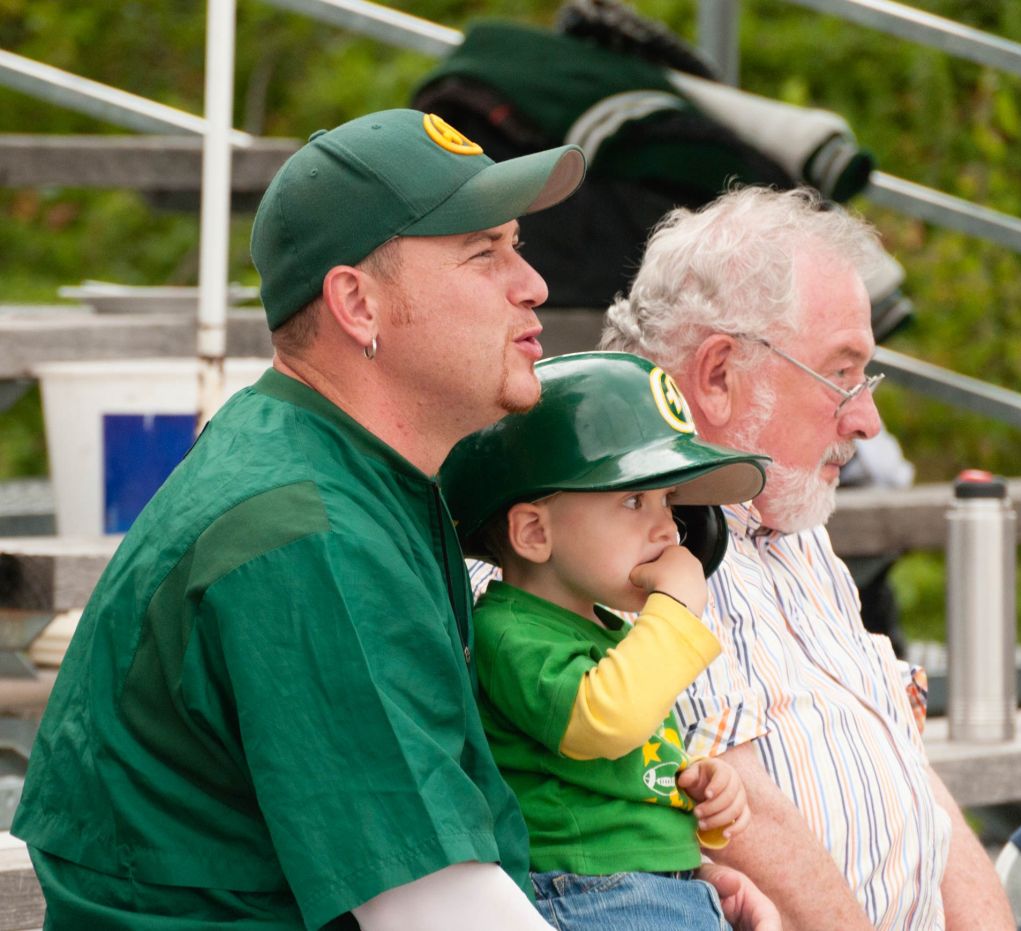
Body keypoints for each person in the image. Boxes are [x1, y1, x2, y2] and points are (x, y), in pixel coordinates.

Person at [12, 108, 589, 929]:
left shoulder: (331, 464)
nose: (532, 283)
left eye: (517, 245)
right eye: (482, 252)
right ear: (357, 303)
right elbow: (439, 911)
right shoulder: (305, 531)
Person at [598, 185, 1015, 930]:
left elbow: (909, 773)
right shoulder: (630, 537)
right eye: (842, 374)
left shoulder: (788, 520)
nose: (868, 419)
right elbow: (742, 820)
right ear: (719, 375)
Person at [441, 351, 777, 931]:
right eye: (633, 500)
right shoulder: (507, 631)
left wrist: (697, 786)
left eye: (668, 502)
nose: (668, 529)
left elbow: (627, 760)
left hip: (655, 887)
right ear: (534, 532)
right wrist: (677, 609)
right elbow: (604, 720)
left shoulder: (608, 629)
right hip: (591, 896)